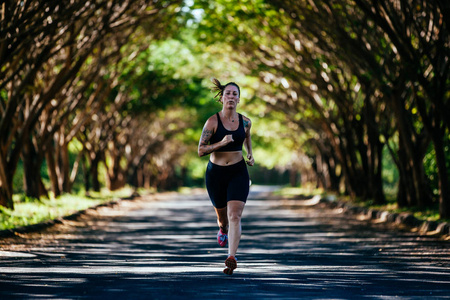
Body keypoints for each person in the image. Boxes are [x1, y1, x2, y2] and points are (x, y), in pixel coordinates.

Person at [198, 78, 254, 275]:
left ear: (239, 99)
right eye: (228, 93)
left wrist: (250, 154)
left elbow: (247, 137)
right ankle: (222, 230)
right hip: (216, 174)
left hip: (238, 171)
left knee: (235, 215)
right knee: (223, 219)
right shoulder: (212, 121)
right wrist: (221, 143)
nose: (231, 96)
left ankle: (231, 257)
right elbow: (200, 150)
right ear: (222, 98)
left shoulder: (245, 121)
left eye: (235, 94)